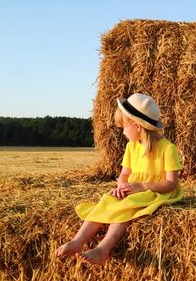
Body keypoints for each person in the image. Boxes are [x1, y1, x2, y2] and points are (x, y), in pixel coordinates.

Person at [55, 93, 183, 265]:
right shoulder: (131, 147)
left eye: (124, 127)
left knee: (126, 207)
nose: (122, 132)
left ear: (137, 126)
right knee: (108, 199)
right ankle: (78, 241)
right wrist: (122, 185)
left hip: (156, 191)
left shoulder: (168, 149)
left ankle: (103, 249)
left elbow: (170, 183)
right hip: (134, 188)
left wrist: (142, 186)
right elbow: (124, 173)